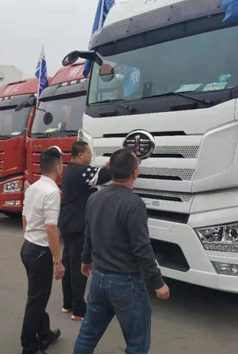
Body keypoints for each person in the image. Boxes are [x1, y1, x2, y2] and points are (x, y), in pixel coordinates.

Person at [73, 148, 170, 354]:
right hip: (125, 282)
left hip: (98, 278)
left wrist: (85, 260)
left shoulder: (95, 198)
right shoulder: (134, 203)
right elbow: (142, 248)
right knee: (137, 342)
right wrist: (158, 283)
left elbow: (89, 233)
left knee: (88, 335)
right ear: (135, 173)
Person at [58, 141, 111, 321]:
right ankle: (79, 310)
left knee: (68, 264)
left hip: (67, 223)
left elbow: (99, 173)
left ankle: (68, 303)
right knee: (79, 267)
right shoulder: (81, 171)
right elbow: (105, 176)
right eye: (89, 152)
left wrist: (105, 167)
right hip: (77, 225)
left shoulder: (70, 169)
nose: (91, 155)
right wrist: (121, 161)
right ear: (81, 155)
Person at [20, 147, 65, 354]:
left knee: (38, 296)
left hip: (28, 248)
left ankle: (44, 333)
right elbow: (51, 228)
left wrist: (29, 236)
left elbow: (25, 217)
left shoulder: (33, 187)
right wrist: (58, 261)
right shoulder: (52, 192)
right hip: (40, 252)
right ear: (57, 167)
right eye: (62, 163)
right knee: (37, 301)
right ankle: (29, 347)